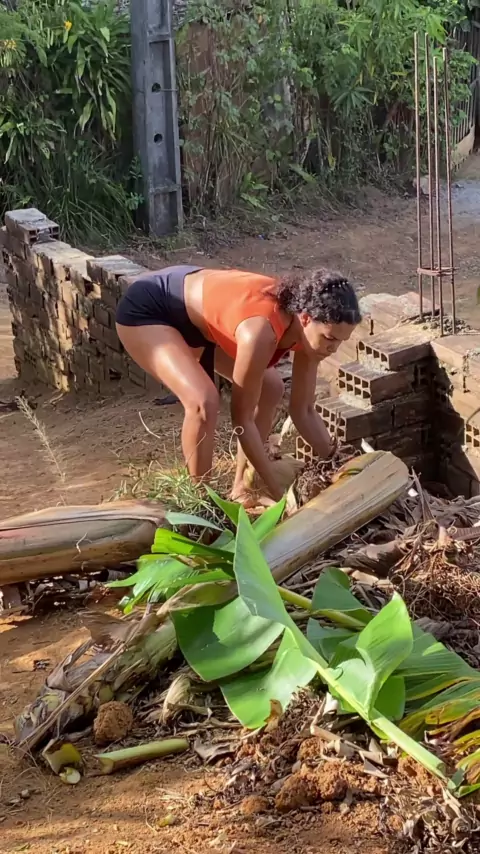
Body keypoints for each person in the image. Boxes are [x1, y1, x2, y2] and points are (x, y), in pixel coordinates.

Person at [115, 266, 361, 504]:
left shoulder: (311, 336)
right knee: (203, 402)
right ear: (306, 318)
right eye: (330, 338)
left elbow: (303, 410)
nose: (333, 348)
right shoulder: (261, 332)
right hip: (152, 308)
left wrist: (337, 463)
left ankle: (243, 488)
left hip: (201, 324)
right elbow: (242, 420)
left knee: (271, 389)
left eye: (341, 341)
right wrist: (279, 495)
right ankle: (200, 504)